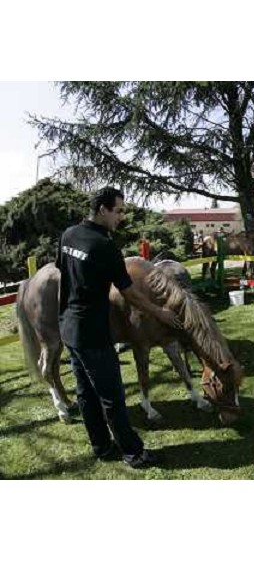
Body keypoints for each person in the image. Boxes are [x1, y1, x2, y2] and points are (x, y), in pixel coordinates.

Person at [55, 187, 182, 468]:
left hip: (69, 328)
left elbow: (65, 275)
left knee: (85, 393)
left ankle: (102, 447)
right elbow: (130, 293)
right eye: (118, 210)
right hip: (93, 333)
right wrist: (159, 311)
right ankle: (133, 452)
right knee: (112, 395)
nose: (121, 217)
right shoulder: (105, 246)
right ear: (102, 209)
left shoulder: (68, 235)